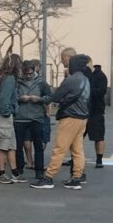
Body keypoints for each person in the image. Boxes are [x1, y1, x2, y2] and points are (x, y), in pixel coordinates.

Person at [32, 53, 92, 189]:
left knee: (59, 148)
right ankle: (76, 178)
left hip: (70, 117)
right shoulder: (85, 80)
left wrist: (41, 99)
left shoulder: (71, 80)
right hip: (82, 118)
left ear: (73, 65)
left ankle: (48, 177)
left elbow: (56, 97)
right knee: (77, 150)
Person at [14, 59, 50, 182]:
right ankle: (19, 170)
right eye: (26, 74)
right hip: (20, 118)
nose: (28, 76)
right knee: (18, 146)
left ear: (34, 71)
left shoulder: (41, 82)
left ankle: (39, 171)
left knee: (38, 146)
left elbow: (50, 97)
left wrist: (39, 99)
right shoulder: (17, 82)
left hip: (36, 117)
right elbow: (13, 97)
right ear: (22, 72)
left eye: (30, 73)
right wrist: (20, 98)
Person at [0, 53, 23, 183]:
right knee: (4, 145)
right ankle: (1, 173)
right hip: (2, 115)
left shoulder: (0, 77)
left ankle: (14, 172)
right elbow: (3, 101)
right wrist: (8, 112)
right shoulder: (9, 79)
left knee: (10, 144)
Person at [88, 63, 108, 168]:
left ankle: (99, 160)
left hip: (96, 111)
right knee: (76, 137)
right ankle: (74, 159)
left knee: (99, 136)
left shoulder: (101, 76)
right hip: (83, 111)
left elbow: (102, 91)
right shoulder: (84, 74)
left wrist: (87, 90)